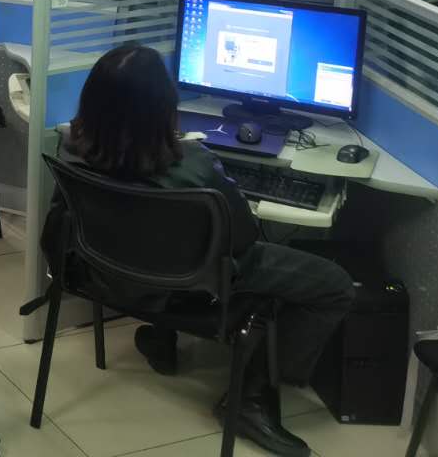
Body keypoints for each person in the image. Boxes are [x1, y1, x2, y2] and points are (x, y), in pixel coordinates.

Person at [47, 45, 353, 457]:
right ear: (164, 109)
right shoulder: (196, 167)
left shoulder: (69, 149)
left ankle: (161, 339)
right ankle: (250, 399)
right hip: (185, 288)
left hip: (105, 278)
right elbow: (243, 240)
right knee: (334, 285)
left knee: (157, 237)